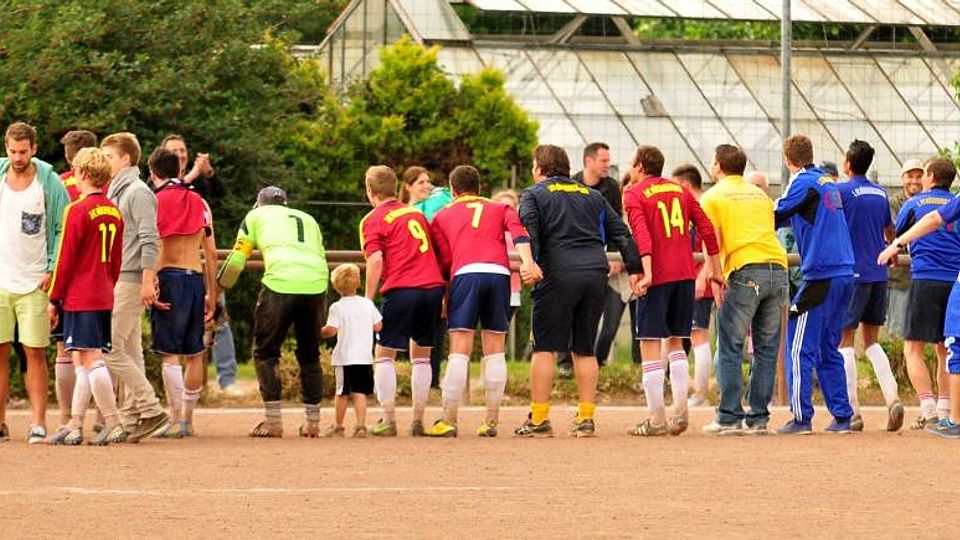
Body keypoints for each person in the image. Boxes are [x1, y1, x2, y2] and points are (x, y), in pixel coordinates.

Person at [516, 145, 642, 438]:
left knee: (544, 347)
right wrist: (635, 269)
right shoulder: (593, 195)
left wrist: (531, 263)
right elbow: (622, 233)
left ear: (539, 169)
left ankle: (539, 418)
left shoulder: (533, 194)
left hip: (557, 273)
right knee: (584, 347)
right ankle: (585, 418)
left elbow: (529, 230)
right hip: (595, 273)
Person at [426, 165, 536, 438]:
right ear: (479, 187)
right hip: (499, 274)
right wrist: (528, 262)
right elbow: (519, 233)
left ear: (453, 190)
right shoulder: (500, 208)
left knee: (460, 348)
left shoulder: (441, 216)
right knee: (495, 348)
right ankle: (491, 420)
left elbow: (444, 262)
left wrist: (445, 296)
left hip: (466, 274)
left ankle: (449, 419)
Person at [624, 145, 723, 437]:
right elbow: (707, 229)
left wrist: (647, 272)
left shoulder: (634, 194)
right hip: (684, 275)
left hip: (658, 277)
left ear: (640, 166)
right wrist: (715, 270)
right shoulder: (681, 190)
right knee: (677, 342)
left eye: (631, 164)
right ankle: (680, 413)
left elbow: (642, 235)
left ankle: (656, 420)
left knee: (650, 344)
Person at [220, 186, 328, 438]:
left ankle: (273, 422)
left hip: (280, 282)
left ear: (259, 204)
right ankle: (312, 423)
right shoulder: (308, 218)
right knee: (310, 354)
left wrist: (219, 288)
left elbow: (236, 261)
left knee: (265, 352)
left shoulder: (255, 216)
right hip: (316, 284)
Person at [700, 146, 789, 435]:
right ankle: (758, 417)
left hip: (745, 269)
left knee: (731, 344)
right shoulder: (761, 195)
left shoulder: (712, 196)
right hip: (778, 268)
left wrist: (714, 275)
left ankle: (728, 416)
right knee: (766, 348)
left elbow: (711, 239)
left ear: (718, 166)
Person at [774, 134, 856, 434]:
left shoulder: (802, 182)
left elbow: (774, 213)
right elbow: (799, 216)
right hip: (845, 273)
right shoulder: (825, 182)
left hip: (822, 274)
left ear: (788, 160)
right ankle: (842, 415)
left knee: (797, 344)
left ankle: (801, 417)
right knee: (826, 346)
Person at [46, 147, 125, 445]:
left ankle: (113, 422)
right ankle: (75, 423)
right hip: (103, 291)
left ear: (83, 173)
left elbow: (65, 259)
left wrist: (54, 298)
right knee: (81, 358)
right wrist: (106, 284)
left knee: (90, 358)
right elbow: (116, 261)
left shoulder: (76, 210)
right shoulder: (113, 210)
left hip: (81, 294)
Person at [360, 165, 445, 437]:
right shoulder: (415, 213)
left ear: (370, 191)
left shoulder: (372, 219)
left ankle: (388, 419)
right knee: (422, 356)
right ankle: (418, 420)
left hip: (403, 288)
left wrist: (367, 300)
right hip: (432, 288)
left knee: (384, 354)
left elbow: (375, 260)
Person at [879, 158, 960, 438]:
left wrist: (894, 248)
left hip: (925, 278)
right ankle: (946, 410)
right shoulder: (954, 201)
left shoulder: (914, 204)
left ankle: (927, 408)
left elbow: (897, 233)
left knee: (912, 347)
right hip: (954, 280)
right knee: (945, 348)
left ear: (931, 176)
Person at [0, 122, 70, 444]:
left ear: (34, 149)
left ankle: (39, 422)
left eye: (23, 152)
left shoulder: (50, 183)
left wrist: (52, 269)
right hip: (1, 279)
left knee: (35, 352)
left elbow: (62, 227)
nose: (17, 157)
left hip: (35, 281)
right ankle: (1, 422)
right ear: (6, 147)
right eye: (13, 151)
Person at [101, 132, 171, 442]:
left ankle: (151, 408)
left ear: (126, 159)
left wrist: (146, 280)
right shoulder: (119, 190)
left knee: (110, 348)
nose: (104, 162)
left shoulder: (137, 192)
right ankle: (132, 417)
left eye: (109, 157)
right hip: (122, 277)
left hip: (129, 278)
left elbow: (150, 238)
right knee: (130, 349)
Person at [148, 147, 218, 438]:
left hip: (169, 278)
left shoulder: (155, 200)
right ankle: (188, 419)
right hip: (195, 279)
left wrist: (150, 279)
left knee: (169, 354)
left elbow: (153, 243)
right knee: (195, 352)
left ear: (152, 173)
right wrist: (213, 294)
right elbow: (211, 253)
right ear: (179, 170)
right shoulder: (200, 202)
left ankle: (175, 418)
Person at [835, 140, 903, 432]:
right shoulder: (880, 192)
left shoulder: (841, 191)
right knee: (872, 340)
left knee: (845, 341)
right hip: (878, 272)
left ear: (848, 163)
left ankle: (852, 411)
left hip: (853, 273)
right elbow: (890, 230)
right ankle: (892, 398)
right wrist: (889, 248)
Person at [555, 142, 626, 375]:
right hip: (574, 255)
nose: (607, 165)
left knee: (600, 315)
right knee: (568, 310)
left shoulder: (611, 188)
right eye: (604, 160)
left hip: (601, 255)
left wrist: (615, 255)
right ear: (589, 161)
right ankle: (565, 362)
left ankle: (593, 360)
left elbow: (615, 222)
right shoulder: (571, 184)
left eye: (608, 160)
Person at [50, 129, 97, 428]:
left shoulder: (57, 183)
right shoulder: (107, 185)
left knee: (64, 349)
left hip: (65, 273)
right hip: (98, 275)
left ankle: (66, 416)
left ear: (69, 158)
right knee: (101, 350)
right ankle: (103, 417)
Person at [400, 165, 450, 387]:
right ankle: (412, 379)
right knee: (411, 329)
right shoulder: (404, 212)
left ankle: (433, 381)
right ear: (407, 187)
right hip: (411, 278)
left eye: (428, 181)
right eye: (421, 182)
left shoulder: (436, 205)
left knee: (436, 327)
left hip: (435, 275)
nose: (427, 185)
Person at [672, 164, 716, 407]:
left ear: (685, 185)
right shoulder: (690, 207)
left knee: (699, 333)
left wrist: (703, 276)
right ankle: (690, 392)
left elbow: (713, 242)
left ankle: (700, 394)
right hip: (691, 277)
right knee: (688, 333)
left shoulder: (704, 205)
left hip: (700, 279)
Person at [320, 264, 380, 438]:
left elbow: (331, 330)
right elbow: (379, 325)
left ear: (335, 286)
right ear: (358, 283)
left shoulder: (337, 307)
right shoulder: (367, 304)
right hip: (364, 357)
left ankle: (338, 426)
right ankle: (360, 426)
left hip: (344, 357)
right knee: (360, 392)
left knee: (342, 392)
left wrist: (319, 331)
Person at [887, 159, 923, 338]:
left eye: (918, 176)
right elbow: (892, 235)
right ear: (902, 178)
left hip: (923, 277)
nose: (914, 181)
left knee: (920, 332)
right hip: (900, 277)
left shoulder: (928, 202)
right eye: (910, 176)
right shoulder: (894, 203)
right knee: (897, 330)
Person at [491, 189, 523, 323]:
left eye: (511, 208)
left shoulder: (518, 233)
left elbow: (525, 261)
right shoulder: (490, 232)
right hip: (492, 289)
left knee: (503, 328)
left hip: (512, 291)